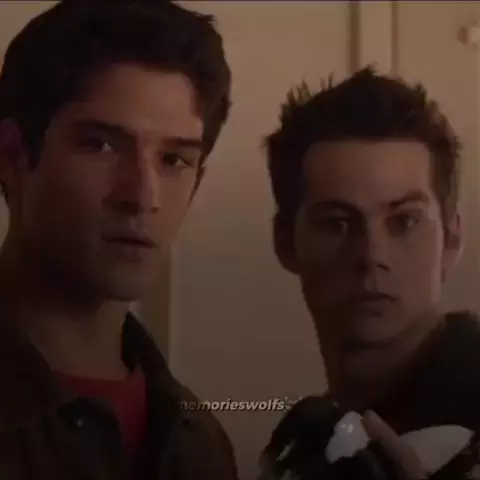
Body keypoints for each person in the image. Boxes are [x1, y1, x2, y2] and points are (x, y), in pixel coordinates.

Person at [0, 0, 238, 479]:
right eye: (102, 145)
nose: (143, 196)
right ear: (13, 154)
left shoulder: (199, 442)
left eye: (174, 160)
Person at [260, 67, 480, 479]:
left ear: (451, 240)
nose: (372, 255)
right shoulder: (305, 444)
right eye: (338, 223)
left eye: (404, 221)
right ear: (285, 242)